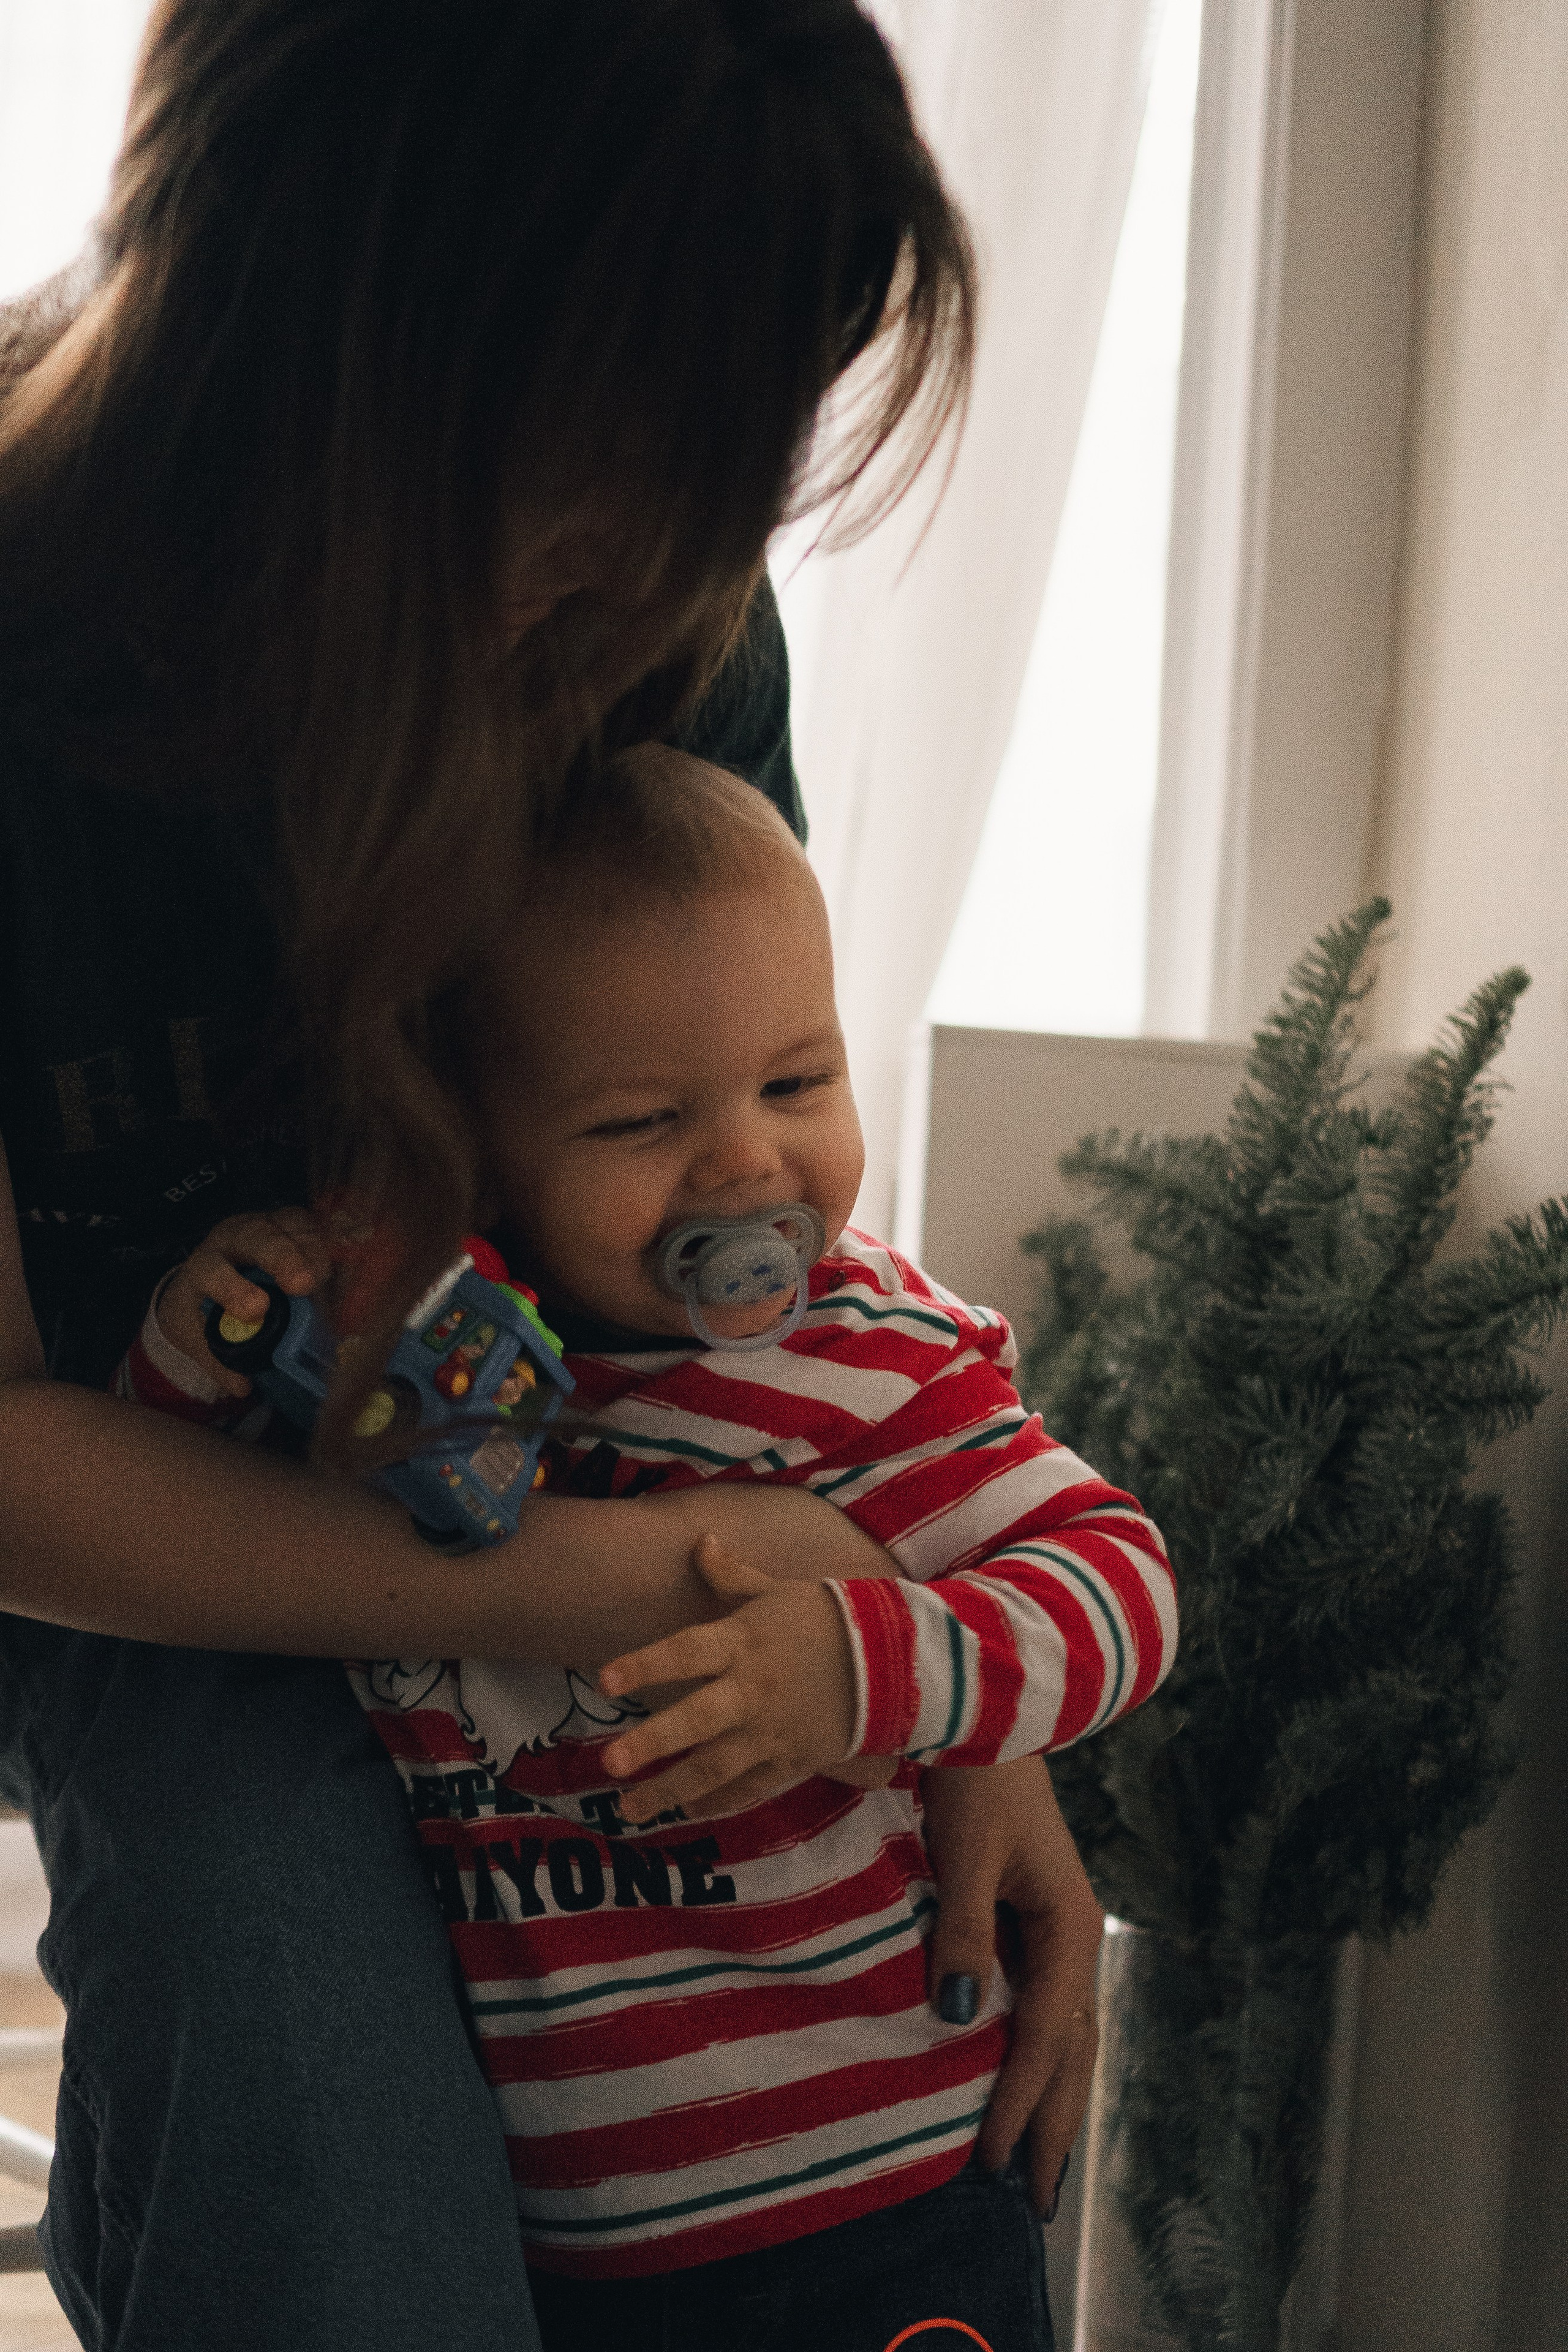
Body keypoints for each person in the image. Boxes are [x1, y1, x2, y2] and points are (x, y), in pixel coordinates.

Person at [0, 6, 1106, 2347]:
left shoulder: (655, 608)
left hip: (584, 1485)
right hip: (142, 1545)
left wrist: (942, 1695)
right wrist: (674, 1569)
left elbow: (739, 1233)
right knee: (308, 2071)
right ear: (323, 320)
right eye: (607, 471)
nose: (660, 571)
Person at [134, 748, 1176, 2351]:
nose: (749, 1167)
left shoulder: (876, 1353)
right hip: (570, 2248)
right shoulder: (447, 1355)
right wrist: (210, 1348)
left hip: (883, 2200)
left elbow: (1118, 1582)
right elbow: (192, 1534)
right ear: (479, 1148)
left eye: (799, 1084)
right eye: (641, 1118)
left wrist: (866, 1666)